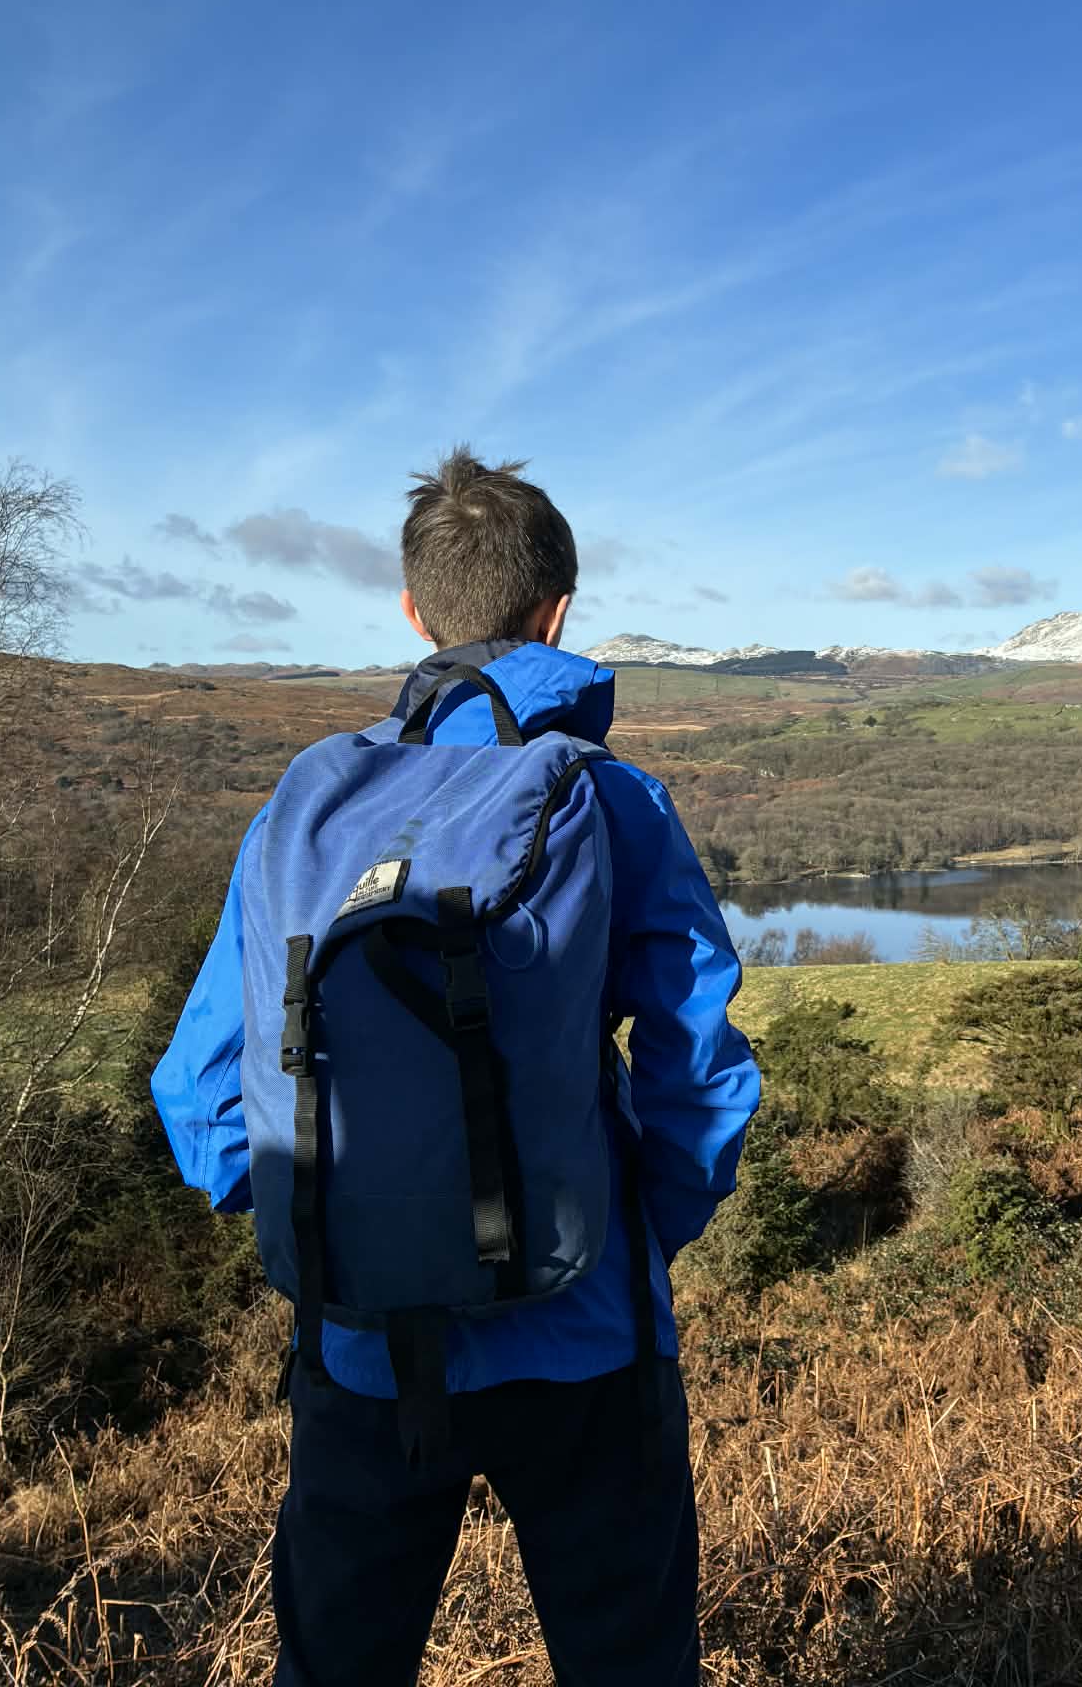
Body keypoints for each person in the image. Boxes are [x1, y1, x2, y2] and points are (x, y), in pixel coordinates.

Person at [152, 447, 760, 1687]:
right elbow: (696, 1063)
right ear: (558, 613)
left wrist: (337, 1210)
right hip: (588, 1333)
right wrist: (638, 1225)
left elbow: (202, 1090)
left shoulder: (301, 816)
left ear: (412, 611)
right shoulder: (613, 797)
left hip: (361, 1340)